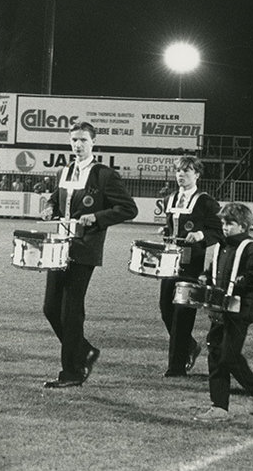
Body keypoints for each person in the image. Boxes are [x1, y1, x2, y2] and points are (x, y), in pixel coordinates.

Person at [40, 121, 138, 388]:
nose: (77, 145)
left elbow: (129, 209)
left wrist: (96, 217)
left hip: (84, 250)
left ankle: (72, 372)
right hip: (59, 248)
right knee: (50, 309)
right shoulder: (66, 170)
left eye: (83, 140)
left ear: (93, 142)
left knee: (71, 311)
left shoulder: (103, 175)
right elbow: (55, 197)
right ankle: (84, 352)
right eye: (74, 140)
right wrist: (50, 207)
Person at [194, 203, 253, 422]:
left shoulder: (251, 247)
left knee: (228, 355)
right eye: (223, 223)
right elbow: (214, 270)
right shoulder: (221, 246)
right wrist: (205, 277)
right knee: (216, 352)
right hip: (221, 306)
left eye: (230, 223)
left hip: (241, 307)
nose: (225, 227)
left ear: (244, 226)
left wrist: (246, 279)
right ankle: (219, 407)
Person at [158, 156, 222, 377]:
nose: (181, 175)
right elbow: (171, 228)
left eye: (187, 171)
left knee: (182, 315)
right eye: (178, 171)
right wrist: (165, 232)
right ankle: (191, 346)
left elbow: (219, 231)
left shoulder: (206, 201)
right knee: (165, 309)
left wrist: (201, 234)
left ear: (197, 175)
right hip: (169, 263)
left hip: (192, 265)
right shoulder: (170, 199)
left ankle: (176, 368)